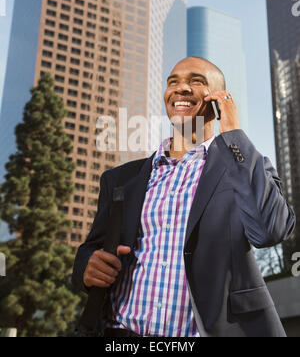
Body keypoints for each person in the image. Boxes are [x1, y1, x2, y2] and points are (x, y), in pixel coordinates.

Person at [72, 57, 295, 337]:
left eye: (196, 81)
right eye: (173, 82)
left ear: (220, 99)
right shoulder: (121, 179)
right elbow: (89, 250)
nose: (181, 88)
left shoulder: (244, 168)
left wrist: (234, 135)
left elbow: (269, 231)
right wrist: (86, 266)